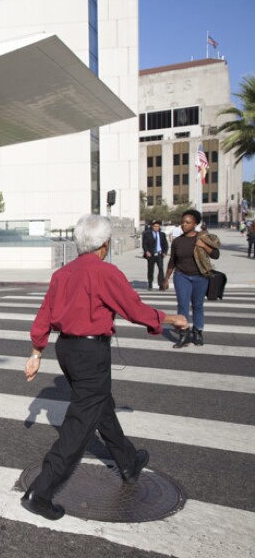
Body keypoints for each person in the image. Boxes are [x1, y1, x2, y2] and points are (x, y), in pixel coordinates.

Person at [21, 214, 188, 521]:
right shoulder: (104, 272)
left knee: (101, 405)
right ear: (105, 244)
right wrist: (168, 318)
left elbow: (45, 312)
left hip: (67, 349)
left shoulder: (63, 274)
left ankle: (128, 461)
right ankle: (40, 492)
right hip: (90, 352)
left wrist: (36, 351)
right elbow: (133, 308)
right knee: (80, 423)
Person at [163, 209, 221, 348]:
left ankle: (198, 332)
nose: (184, 224)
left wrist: (204, 246)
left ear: (195, 224)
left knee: (197, 305)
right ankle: (183, 333)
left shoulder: (203, 238)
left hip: (200, 277)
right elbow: (172, 261)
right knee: (182, 305)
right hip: (181, 276)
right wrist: (166, 279)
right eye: (183, 222)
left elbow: (216, 255)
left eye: (187, 222)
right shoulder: (177, 241)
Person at [141, 220, 168, 290]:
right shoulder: (147, 234)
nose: (156, 228)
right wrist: (146, 251)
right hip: (151, 254)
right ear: (152, 227)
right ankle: (150, 283)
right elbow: (144, 244)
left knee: (161, 269)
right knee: (150, 269)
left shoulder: (162, 235)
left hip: (159, 254)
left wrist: (165, 252)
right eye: (155, 226)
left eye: (158, 226)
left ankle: (161, 284)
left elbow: (165, 244)